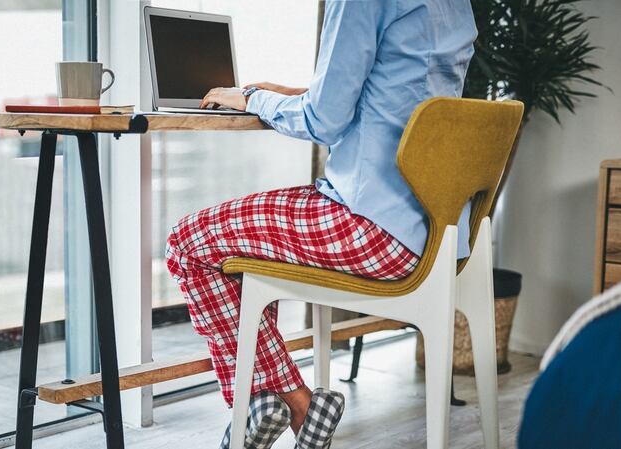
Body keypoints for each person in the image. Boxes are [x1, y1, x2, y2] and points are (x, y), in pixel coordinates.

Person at [166, 1, 477, 447]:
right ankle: (269, 402)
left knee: (189, 242)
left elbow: (323, 121)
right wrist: (285, 93)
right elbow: (389, 93)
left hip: (371, 225)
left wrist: (252, 99)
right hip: (434, 230)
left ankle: (291, 403)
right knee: (240, 245)